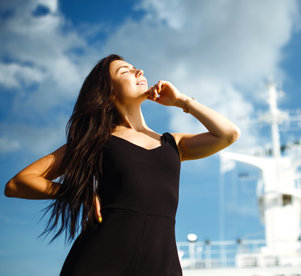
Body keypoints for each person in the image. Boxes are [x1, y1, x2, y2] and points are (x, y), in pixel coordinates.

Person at [4, 54, 241, 275]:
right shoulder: (95, 141)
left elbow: (228, 134)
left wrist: (182, 101)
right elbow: (17, 183)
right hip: (100, 260)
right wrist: (78, 193)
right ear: (109, 93)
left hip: (161, 264)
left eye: (136, 67)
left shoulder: (174, 144)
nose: (139, 71)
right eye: (125, 71)